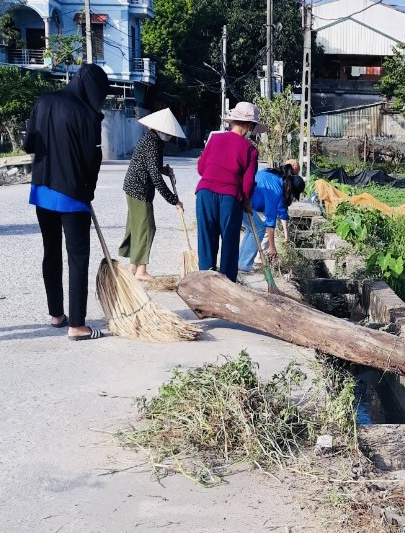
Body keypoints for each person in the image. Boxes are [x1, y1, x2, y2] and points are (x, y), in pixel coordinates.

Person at [24, 64, 110, 341]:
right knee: (77, 258)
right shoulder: (88, 114)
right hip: (73, 196)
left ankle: (56, 314)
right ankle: (77, 325)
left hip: (43, 191)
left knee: (51, 252)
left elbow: (29, 144)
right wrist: (90, 190)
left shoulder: (44, 101)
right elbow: (92, 160)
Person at [195, 102, 264, 282]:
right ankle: (227, 286)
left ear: (233, 121)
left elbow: (202, 169)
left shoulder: (215, 139)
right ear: (250, 125)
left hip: (204, 193)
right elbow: (248, 184)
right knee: (230, 242)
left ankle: (206, 283)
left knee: (206, 239)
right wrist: (246, 202)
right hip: (229, 198)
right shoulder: (250, 150)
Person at [118, 108, 184, 282]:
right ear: (160, 129)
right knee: (147, 227)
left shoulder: (152, 140)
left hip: (133, 186)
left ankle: (133, 265)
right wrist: (173, 200)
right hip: (139, 189)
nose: (169, 136)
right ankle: (141, 270)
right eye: (167, 132)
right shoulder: (153, 142)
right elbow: (154, 175)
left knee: (136, 226)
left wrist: (164, 170)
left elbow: (150, 166)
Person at [238, 158, 304, 274]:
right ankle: (243, 265)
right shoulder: (275, 190)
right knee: (259, 229)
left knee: (253, 229)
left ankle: (241, 263)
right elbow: (270, 222)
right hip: (240, 200)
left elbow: (282, 212)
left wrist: (286, 235)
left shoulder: (272, 174)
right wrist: (272, 248)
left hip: (241, 198)